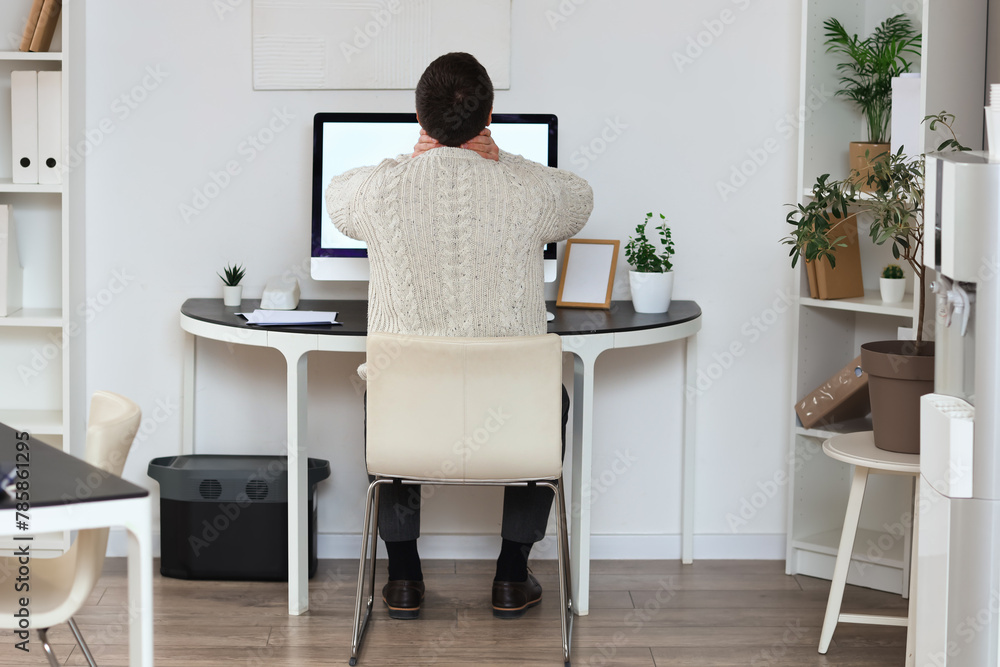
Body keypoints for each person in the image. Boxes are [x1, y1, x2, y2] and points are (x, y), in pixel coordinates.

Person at [326, 52, 593, 621]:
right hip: (511, 416)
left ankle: (402, 580)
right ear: (489, 114)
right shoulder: (531, 192)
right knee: (554, 400)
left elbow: (338, 191)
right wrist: (498, 159)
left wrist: (414, 157)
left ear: (418, 119)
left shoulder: (378, 192)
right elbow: (579, 195)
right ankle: (511, 576)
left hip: (412, 417)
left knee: (386, 397)